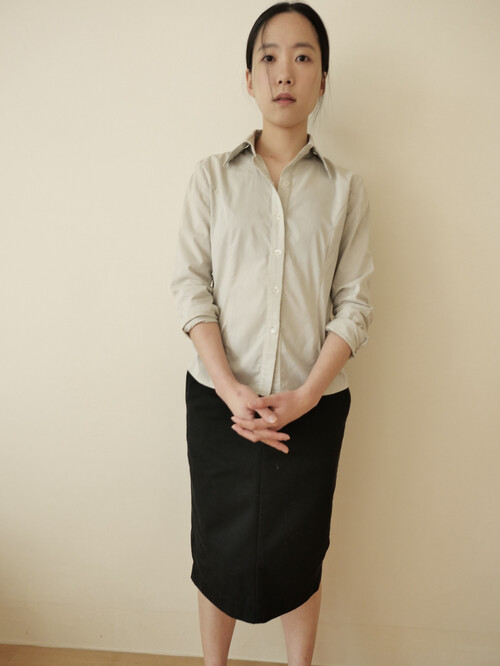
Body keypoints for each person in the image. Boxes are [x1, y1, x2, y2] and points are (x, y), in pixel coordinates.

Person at [171, 2, 373, 664]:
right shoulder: (211, 178)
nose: (285, 71)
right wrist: (230, 389)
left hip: (312, 407)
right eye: (269, 56)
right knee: (217, 546)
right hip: (219, 402)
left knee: (300, 550)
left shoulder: (346, 191)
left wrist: (307, 395)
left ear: (322, 80)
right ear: (249, 79)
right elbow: (191, 288)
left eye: (303, 56)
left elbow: (354, 304)